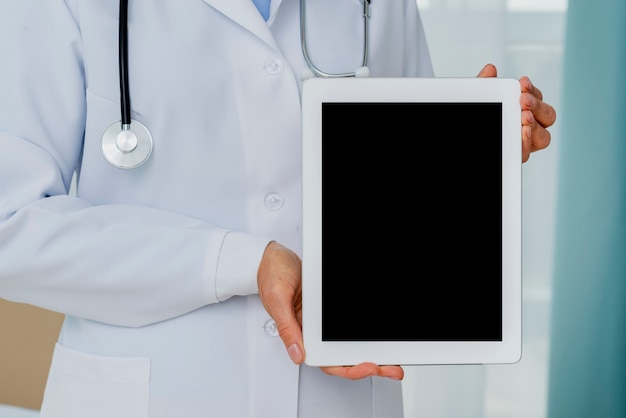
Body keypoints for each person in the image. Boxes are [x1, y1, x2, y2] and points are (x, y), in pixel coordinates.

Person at [0, 1, 556, 417]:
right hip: (153, 393)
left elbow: (392, 202)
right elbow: (12, 224)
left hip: (337, 394)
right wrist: (244, 261)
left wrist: (469, 154)